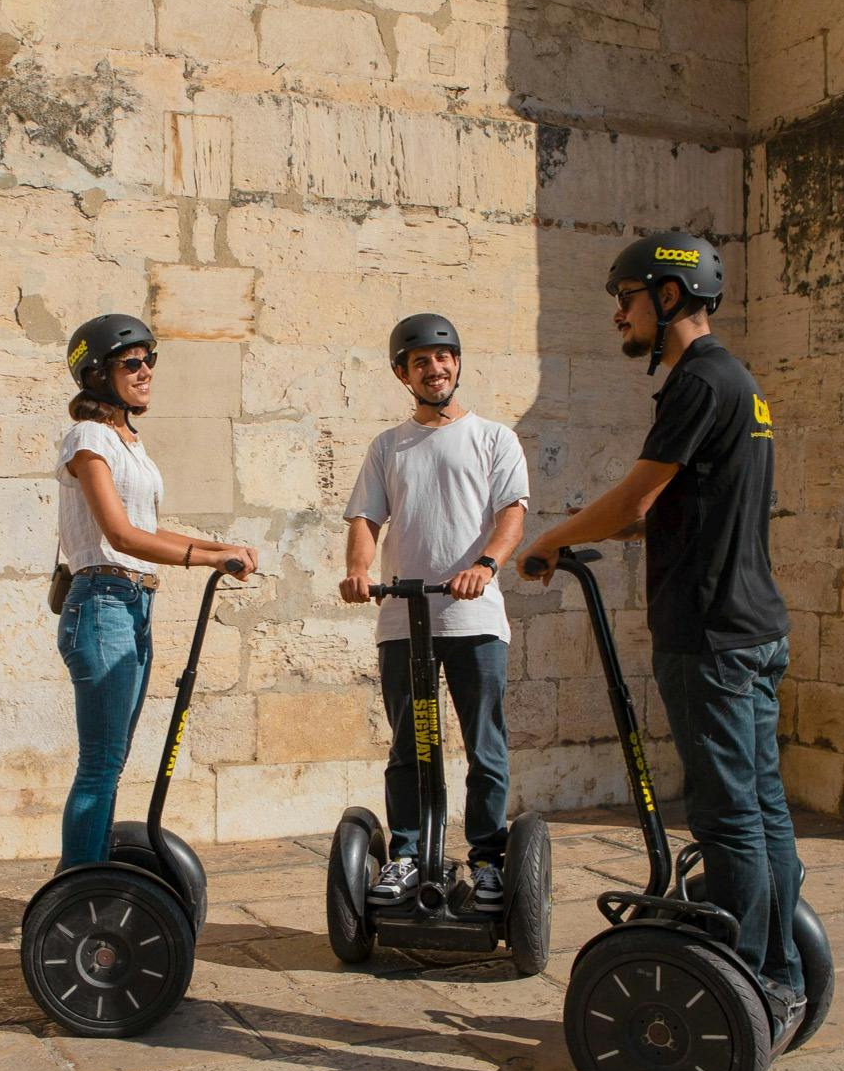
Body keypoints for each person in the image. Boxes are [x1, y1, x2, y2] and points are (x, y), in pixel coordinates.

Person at [519, 231, 802, 1011]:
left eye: (626, 297)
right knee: (763, 807)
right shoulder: (739, 383)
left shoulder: (694, 382)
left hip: (709, 633)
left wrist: (551, 536)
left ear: (667, 296)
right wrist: (610, 528)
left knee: (726, 815)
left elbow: (636, 498)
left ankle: (745, 978)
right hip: (752, 625)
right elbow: (686, 508)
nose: (618, 314)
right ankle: (779, 970)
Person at [340, 314, 529, 910]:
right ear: (404, 373)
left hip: (474, 620)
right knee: (409, 746)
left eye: (443, 358)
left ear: (457, 364)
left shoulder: (494, 437)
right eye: (420, 361)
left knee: (484, 747)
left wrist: (487, 566)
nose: (435, 368)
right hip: (403, 618)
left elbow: (511, 514)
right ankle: (407, 852)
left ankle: (488, 859)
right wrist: (359, 571)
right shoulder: (388, 445)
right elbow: (366, 518)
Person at [55, 313, 257, 867]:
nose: (146, 370)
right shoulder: (87, 438)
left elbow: (146, 528)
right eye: (131, 363)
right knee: (100, 763)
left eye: (150, 359)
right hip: (101, 604)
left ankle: (88, 878)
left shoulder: (129, 441)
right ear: (97, 374)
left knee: (111, 760)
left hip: (135, 603)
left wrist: (218, 549)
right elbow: (119, 535)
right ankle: (76, 888)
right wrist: (203, 558)